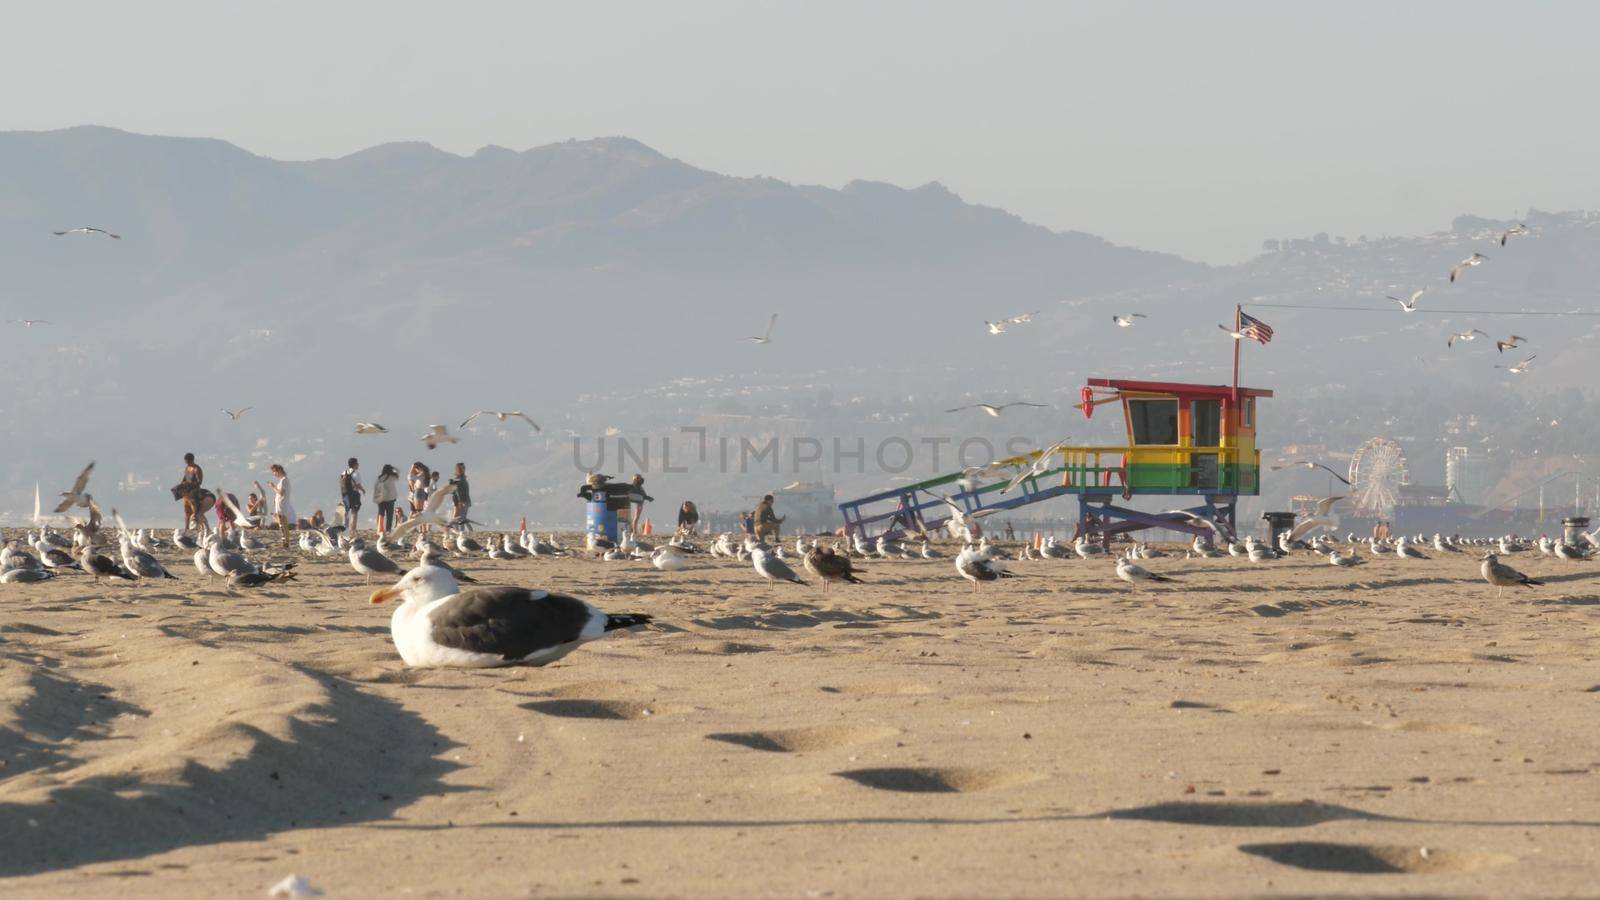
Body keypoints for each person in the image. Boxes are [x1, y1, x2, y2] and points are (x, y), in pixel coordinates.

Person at [268, 464, 297, 545]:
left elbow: (281, 492)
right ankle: (284, 539)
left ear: (279, 471)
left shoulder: (284, 480)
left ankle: (286, 541)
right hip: (280, 504)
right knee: (281, 523)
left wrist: (273, 486)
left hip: (283, 505)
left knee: (283, 523)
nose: (274, 474)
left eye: (274, 472)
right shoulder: (282, 480)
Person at [339, 458, 364, 533]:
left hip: (345, 495)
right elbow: (358, 485)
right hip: (354, 494)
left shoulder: (343, 473)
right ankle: (352, 530)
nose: (358, 465)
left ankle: (345, 528)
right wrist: (363, 490)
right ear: (354, 464)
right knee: (354, 512)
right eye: (357, 463)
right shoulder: (356, 473)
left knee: (346, 512)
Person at [373, 464, 400, 533]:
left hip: (381, 499)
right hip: (390, 499)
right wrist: (394, 467)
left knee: (381, 514)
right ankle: (388, 530)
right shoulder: (392, 477)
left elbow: (375, 487)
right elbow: (398, 472)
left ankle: (379, 529)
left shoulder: (380, 478)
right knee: (389, 516)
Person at [449, 463, 471, 527]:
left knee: (458, 516)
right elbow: (456, 491)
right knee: (460, 517)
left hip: (462, 500)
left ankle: (453, 528)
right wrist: (460, 501)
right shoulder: (458, 479)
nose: (463, 470)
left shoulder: (461, 478)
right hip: (461, 500)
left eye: (463, 468)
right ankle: (452, 527)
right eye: (461, 468)